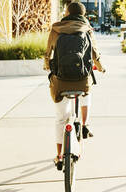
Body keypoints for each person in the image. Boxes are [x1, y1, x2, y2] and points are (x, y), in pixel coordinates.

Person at [44, 2, 106, 166]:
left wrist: (46, 65)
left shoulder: (56, 29)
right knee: (87, 89)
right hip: (81, 81)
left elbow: (48, 51)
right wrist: (101, 68)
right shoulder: (86, 28)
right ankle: (84, 125)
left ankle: (59, 156)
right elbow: (94, 53)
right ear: (83, 15)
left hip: (60, 82)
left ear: (66, 13)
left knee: (60, 119)